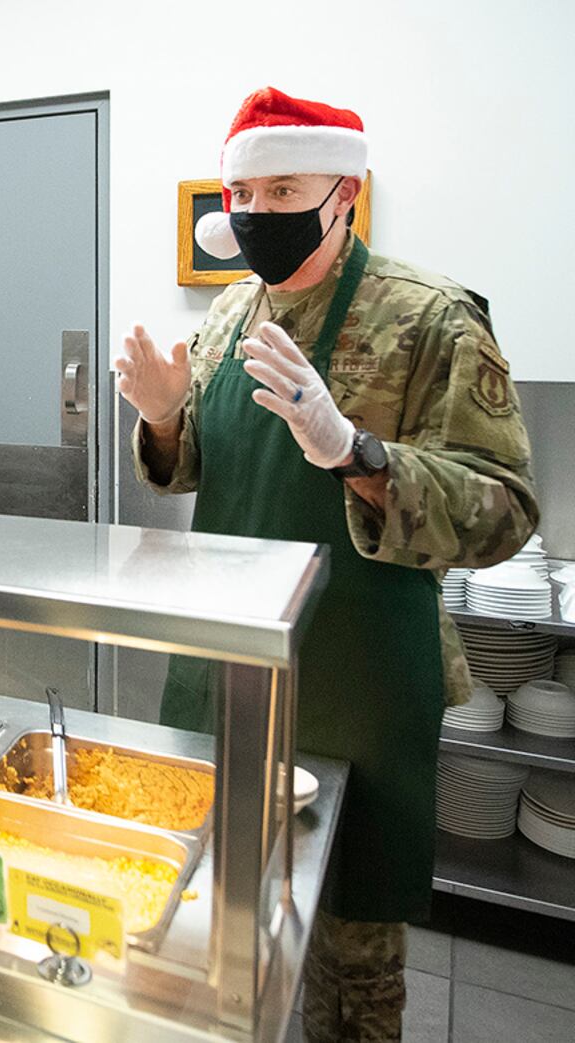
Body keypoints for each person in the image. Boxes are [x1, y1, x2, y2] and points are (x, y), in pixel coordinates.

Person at [116, 88, 537, 1042]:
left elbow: (505, 509)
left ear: (344, 192)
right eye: (244, 194)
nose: (259, 212)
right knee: (221, 916)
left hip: (359, 675)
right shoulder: (226, 317)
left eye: (284, 189)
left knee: (353, 961)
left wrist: (358, 452)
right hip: (232, 662)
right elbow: (194, 473)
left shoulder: (430, 318)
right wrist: (163, 418)